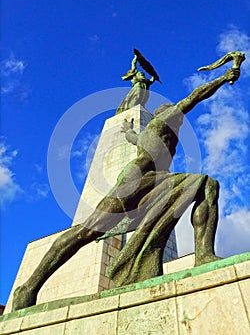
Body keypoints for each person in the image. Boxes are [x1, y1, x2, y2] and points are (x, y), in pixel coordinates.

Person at [12, 66, 240, 311]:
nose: (174, 114)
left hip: (156, 181)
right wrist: (223, 77)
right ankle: (29, 287)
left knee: (207, 185)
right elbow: (195, 96)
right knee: (88, 231)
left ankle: (204, 254)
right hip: (136, 180)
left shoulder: (153, 133)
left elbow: (136, 139)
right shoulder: (166, 117)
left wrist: (130, 132)